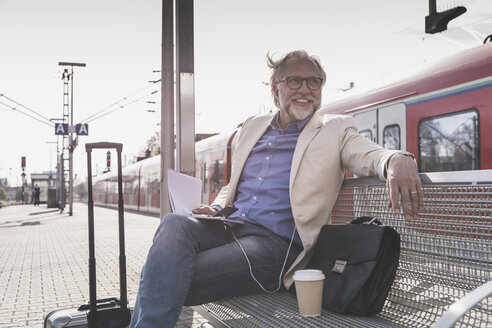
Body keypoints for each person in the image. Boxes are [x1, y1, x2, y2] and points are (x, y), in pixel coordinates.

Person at [130, 50, 423, 328]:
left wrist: (397, 158)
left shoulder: (336, 129)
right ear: (275, 89)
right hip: (229, 226)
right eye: (294, 80)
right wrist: (216, 208)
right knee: (173, 225)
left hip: (275, 246)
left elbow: (367, 154)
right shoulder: (252, 126)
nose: (305, 89)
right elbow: (233, 184)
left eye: (314, 82)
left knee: (162, 274)